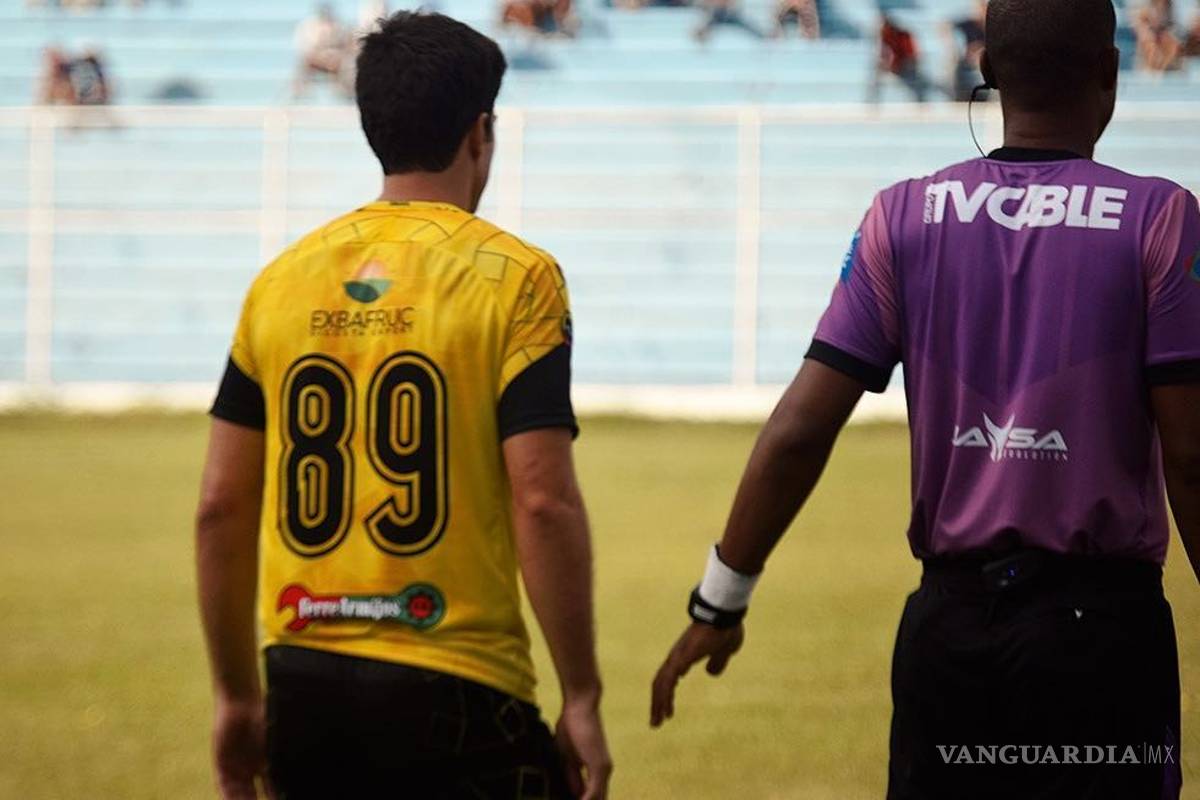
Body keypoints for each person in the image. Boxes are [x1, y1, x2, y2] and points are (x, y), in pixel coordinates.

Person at [652, 0, 1200, 797]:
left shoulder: (903, 216)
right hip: (1102, 638)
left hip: (950, 633)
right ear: (1110, 73)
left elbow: (800, 430)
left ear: (987, 69)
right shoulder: (1162, 218)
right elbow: (1191, 453)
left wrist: (719, 604)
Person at [197, 11, 611, 800]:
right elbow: (542, 498)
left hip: (303, 684)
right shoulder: (518, 276)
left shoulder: (279, 282)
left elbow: (220, 505)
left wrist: (236, 697)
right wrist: (582, 693)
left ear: (373, 128)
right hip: (459, 684)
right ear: (481, 132)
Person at [291, 4, 353, 99]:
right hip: (315, 59)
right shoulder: (310, 26)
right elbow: (306, 49)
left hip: (335, 60)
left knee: (345, 64)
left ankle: (345, 90)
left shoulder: (337, 25)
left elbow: (345, 45)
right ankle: (299, 90)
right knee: (306, 64)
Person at [868, 14, 932, 103]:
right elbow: (883, 55)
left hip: (904, 66)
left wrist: (899, 64)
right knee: (876, 74)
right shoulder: (884, 37)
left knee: (916, 80)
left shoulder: (903, 35)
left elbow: (911, 55)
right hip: (893, 66)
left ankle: (921, 100)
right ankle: (872, 102)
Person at [945, 0, 987, 101]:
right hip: (968, 64)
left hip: (984, 64)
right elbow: (946, 26)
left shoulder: (993, 26)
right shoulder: (968, 24)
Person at [1134, 0, 1184, 71]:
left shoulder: (1171, 7)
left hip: (1165, 34)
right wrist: (1151, 33)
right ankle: (1151, 69)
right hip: (1151, 35)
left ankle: (1164, 69)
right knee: (1149, 43)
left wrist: (1165, 33)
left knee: (1171, 42)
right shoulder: (1145, 8)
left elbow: (1175, 26)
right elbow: (1141, 26)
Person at [694, 0, 764, 42]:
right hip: (716, 14)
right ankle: (701, 38)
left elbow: (733, 5)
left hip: (729, 14)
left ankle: (762, 36)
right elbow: (704, 4)